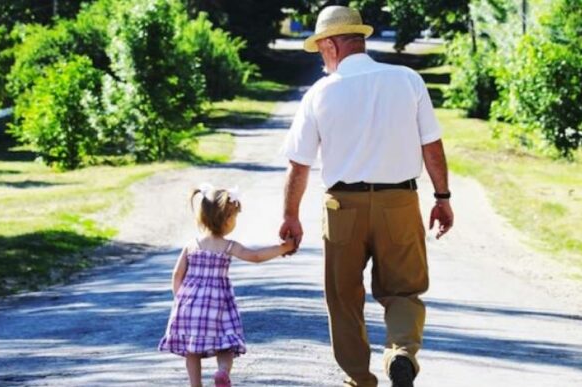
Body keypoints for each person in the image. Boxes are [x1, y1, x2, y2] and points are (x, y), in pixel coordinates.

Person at [279, 5, 454, 387]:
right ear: (359, 39)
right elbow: (433, 147)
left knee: (343, 297)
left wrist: (290, 216)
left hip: (343, 208)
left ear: (330, 46)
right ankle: (402, 352)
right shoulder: (407, 80)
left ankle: (360, 378)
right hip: (400, 202)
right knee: (404, 290)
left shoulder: (320, 93)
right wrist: (442, 197)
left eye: (320, 50)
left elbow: (299, 165)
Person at [158, 183, 295, 387]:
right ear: (228, 220)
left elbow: (177, 275)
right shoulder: (228, 246)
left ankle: (195, 384)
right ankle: (222, 371)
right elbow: (255, 256)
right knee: (225, 344)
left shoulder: (191, 245)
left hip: (188, 307)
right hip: (218, 306)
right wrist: (284, 247)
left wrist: (180, 300)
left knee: (192, 350)